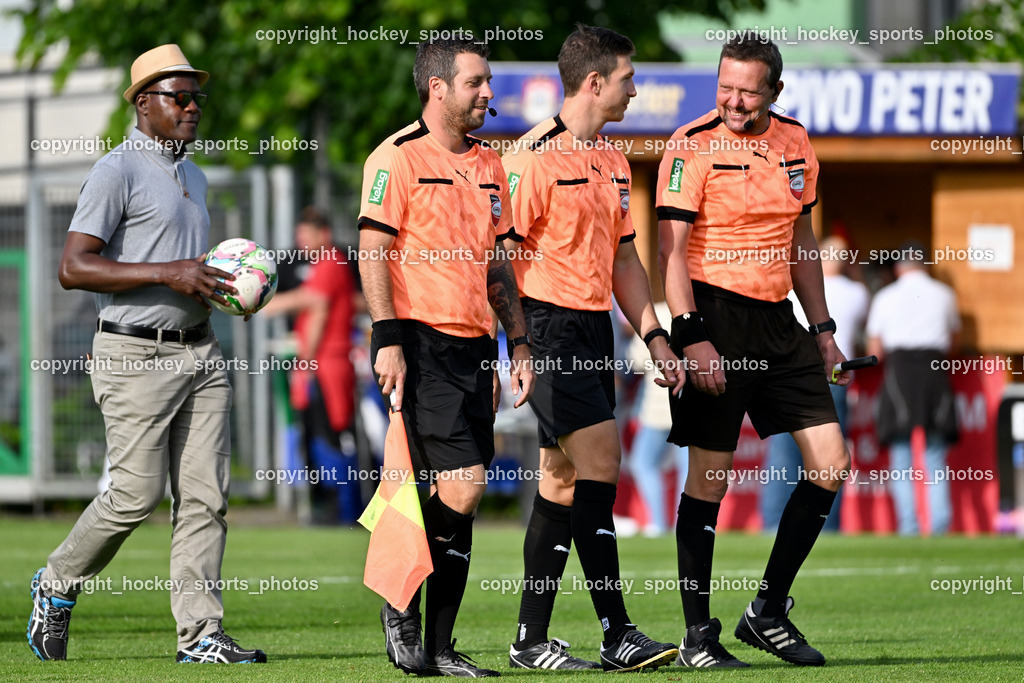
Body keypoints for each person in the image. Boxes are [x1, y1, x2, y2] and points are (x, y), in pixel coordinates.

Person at [28, 44, 265, 663]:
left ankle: (201, 636)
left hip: (201, 353)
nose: (192, 108)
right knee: (134, 497)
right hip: (134, 355)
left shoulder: (195, 172)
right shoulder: (118, 169)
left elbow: (189, 271)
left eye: (197, 98)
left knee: (206, 498)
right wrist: (172, 274)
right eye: (178, 97)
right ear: (142, 103)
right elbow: (73, 268)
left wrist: (224, 287)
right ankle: (55, 584)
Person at [656, 31, 851, 668]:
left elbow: (803, 242)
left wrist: (822, 330)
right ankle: (696, 637)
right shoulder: (689, 145)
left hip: (780, 323)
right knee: (709, 482)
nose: (735, 101)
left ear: (775, 91)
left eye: (748, 90)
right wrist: (690, 335)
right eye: (726, 87)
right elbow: (671, 254)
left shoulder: (796, 142)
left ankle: (767, 612)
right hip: (712, 318)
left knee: (830, 463)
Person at [501, 24, 684, 673]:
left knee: (563, 477)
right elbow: (499, 262)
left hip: (593, 330)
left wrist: (655, 335)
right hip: (547, 328)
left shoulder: (612, 159)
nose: (635, 91)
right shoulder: (528, 157)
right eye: (629, 79)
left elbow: (625, 260)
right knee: (602, 461)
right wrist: (519, 344)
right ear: (595, 81)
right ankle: (617, 631)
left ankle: (529, 640)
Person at [357, 37, 535, 678]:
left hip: (475, 349)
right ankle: (401, 602)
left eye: (487, 83)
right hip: (419, 342)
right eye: (476, 83)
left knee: (457, 495)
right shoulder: (396, 157)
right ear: (438, 88)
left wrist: (519, 343)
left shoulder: (491, 166)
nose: (488, 93)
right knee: (463, 486)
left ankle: (436, 643)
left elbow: (498, 265)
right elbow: (372, 250)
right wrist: (388, 339)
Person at [261, 207, 363, 524]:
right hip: (321, 362)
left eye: (306, 233)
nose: (300, 240)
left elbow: (316, 307)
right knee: (316, 432)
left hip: (327, 363)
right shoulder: (324, 264)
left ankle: (341, 507)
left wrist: (266, 303)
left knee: (330, 434)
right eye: (299, 234)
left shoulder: (332, 262)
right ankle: (331, 505)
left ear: (324, 234)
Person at [761, 235, 870, 532]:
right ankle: (827, 526)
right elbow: (865, 325)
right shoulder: (857, 292)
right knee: (832, 459)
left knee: (783, 457)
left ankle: (773, 522)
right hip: (833, 377)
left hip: (790, 374)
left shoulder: (796, 288)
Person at [866, 242, 960, 535]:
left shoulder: (885, 296)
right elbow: (954, 342)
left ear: (898, 267)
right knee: (934, 453)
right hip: (934, 371)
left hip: (901, 372)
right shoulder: (945, 294)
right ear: (924, 264)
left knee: (900, 454)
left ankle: (909, 526)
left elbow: (875, 350)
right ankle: (940, 526)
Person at [626, 302, 688, 537]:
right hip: (688, 404)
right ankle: (681, 526)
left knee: (643, 463)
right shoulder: (694, 314)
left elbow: (636, 361)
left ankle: (660, 524)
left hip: (657, 407)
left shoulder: (652, 313)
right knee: (687, 469)